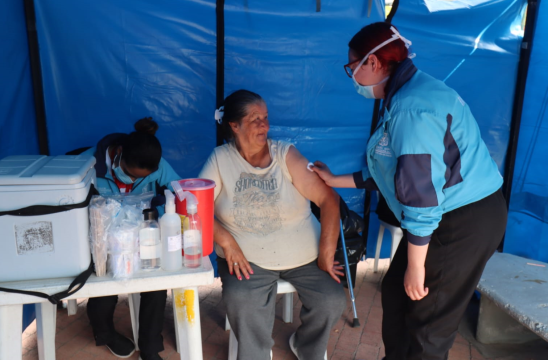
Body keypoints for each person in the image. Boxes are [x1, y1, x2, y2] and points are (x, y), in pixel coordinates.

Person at [312, 22, 508, 360]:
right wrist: (334, 180)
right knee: (395, 292)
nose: (352, 77)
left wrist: (416, 266)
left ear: (372, 63)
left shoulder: (412, 108)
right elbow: (395, 171)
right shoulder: (410, 91)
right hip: (448, 213)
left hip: (459, 221)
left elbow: (420, 196)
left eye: (352, 67)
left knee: (427, 319)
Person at [199, 90, 346, 360]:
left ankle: (306, 346)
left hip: (305, 258)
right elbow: (198, 208)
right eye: (255, 119)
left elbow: (329, 200)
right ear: (234, 125)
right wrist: (228, 244)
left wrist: (326, 254)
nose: (264, 125)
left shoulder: (285, 154)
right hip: (247, 260)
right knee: (241, 300)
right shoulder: (220, 159)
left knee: (332, 299)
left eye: (265, 117)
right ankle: (255, 353)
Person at [81, 117, 180, 360]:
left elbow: (179, 193)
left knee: (155, 286)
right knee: (103, 286)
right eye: (130, 175)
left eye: (141, 179)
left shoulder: (159, 165)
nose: (134, 181)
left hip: (143, 239)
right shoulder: (88, 164)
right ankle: (106, 334)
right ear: (119, 155)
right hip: (102, 242)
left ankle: (149, 345)